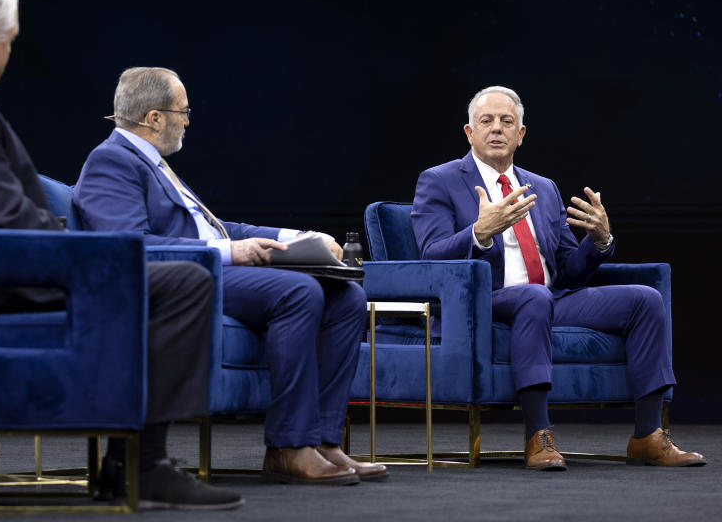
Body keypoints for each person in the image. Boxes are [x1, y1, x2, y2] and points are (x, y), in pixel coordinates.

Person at [0, 0, 243, 510]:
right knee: (183, 282)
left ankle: (126, 463)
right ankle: (146, 464)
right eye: (12, 41)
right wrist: (81, 248)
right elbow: (2, 220)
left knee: (158, 275)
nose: (10, 52)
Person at [73, 67, 387, 485]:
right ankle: (289, 447)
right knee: (298, 291)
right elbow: (131, 244)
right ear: (154, 118)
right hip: (183, 279)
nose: (187, 120)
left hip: (214, 268)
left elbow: (220, 229)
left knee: (345, 296)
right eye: (183, 111)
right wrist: (230, 253)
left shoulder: (158, 166)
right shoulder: (111, 161)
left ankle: (323, 441)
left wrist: (298, 236)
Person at [411, 85, 705, 470]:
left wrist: (599, 241)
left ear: (521, 134)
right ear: (469, 132)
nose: (496, 129)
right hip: (484, 303)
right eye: (486, 121)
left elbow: (567, 269)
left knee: (645, 299)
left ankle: (648, 436)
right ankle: (539, 435)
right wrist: (480, 232)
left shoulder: (544, 188)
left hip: (550, 299)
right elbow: (430, 258)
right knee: (534, 297)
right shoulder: (440, 181)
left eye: (507, 121)